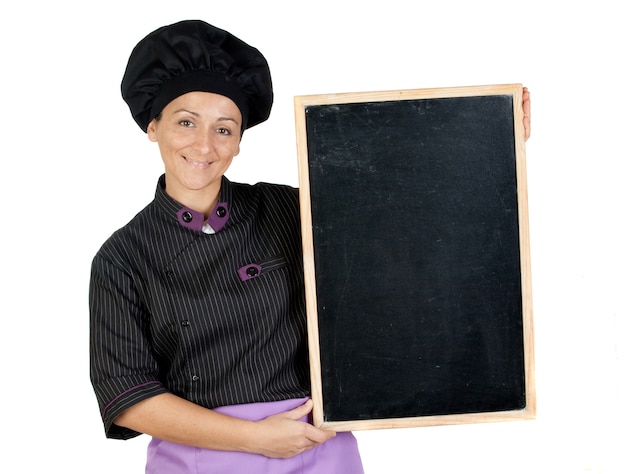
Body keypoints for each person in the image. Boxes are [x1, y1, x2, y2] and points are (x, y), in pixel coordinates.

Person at [89, 19, 531, 473]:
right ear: (152, 126)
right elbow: (127, 397)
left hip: (317, 448)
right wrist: (253, 438)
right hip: (201, 458)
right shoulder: (123, 257)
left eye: (224, 129)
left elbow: (408, 217)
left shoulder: (290, 209)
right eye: (186, 122)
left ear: (238, 141)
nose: (204, 144)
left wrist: (490, 135)